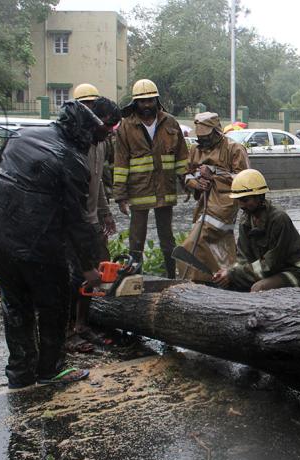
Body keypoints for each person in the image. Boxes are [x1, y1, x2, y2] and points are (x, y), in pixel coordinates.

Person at [0, 99, 121, 388]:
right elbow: (76, 222)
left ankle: (19, 372)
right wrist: (90, 269)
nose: (105, 135)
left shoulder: (25, 136)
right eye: (106, 129)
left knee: (15, 303)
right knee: (54, 303)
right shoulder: (72, 160)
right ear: (84, 129)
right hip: (32, 239)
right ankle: (50, 370)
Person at [113, 79, 189, 278]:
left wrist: (186, 181)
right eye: (142, 101)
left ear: (157, 100)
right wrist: (120, 196)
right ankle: (134, 278)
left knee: (167, 238)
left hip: (165, 188)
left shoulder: (170, 122)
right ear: (135, 103)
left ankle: (171, 277)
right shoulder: (126, 127)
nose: (146, 105)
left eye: (150, 100)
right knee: (136, 239)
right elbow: (120, 163)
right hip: (139, 191)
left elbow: (182, 156)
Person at [64, 83, 118, 352]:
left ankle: (85, 321)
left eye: (92, 105)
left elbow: (97, 183)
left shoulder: (100, 141)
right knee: (74, 274)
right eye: (84, 105)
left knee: (99, 269)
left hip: (92, 217)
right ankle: (69, 328)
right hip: (72, 219)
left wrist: (105, 213)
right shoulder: (74, 141)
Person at [211, 169, 300, 292]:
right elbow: (243, 258)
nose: (241, 205)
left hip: (294, 271)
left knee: (259, 288)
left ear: (259, 197)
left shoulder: (279, 219)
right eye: (239, 200)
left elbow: (270, 264)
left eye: (245, 200)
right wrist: (228, 275)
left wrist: (233, 274)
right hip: (269, 271)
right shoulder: (246, 220)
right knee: (230, 285)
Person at [179, 112, 249, 282]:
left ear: (217, 132)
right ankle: (226, 278)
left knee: (193, 243)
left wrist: (214, 174)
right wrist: (197, 184)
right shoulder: (196, 149)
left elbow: (244, 180)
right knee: (221, 245)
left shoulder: (234, 149)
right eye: (200, 137)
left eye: (206, 137)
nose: (203, 141)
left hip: (224, 204)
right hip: (203, 203)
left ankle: (206, 277)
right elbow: (187, 175)